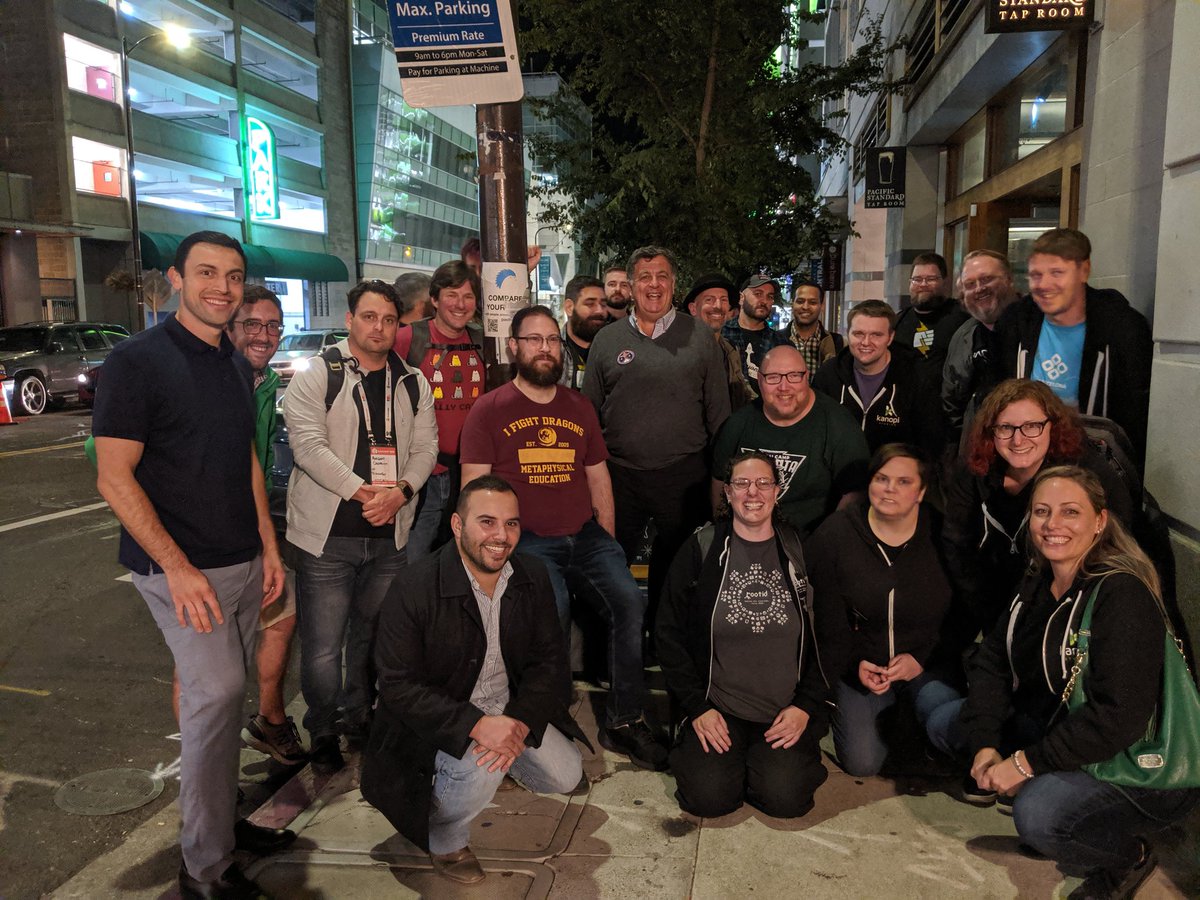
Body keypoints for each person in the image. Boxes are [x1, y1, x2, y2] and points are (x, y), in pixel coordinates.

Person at [93, 231, 287, 899]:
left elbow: (247, 461)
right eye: (207, 273)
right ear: (175, 278)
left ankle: (224, 821)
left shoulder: (233, 361)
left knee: (222, 703)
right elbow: (114, 479)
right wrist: (176, 568)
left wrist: (267, 542)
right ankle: (205, 865)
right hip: (180, 570)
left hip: (238, 560)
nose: (222, 287)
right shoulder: (137, 362)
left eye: (233, 276)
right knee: (218, 695)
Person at [928, 466, 1200, 899]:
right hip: (1062, 729)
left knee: (1039, 818)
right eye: (1042, 512)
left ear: (1099, 522)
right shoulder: (1038, 580)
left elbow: (1117, 719)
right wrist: (985, 743)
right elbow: (994, 662)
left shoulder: (1121, 592)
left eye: (1070, 512)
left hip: (1136, 764)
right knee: (946, 721)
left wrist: (1024, 764)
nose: (1053, 525)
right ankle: (1042, 779)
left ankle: (1127, 855)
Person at [460, 305, 667, 770]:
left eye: (552, 339)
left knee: (629, 604)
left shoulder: (579, 408)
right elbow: (474, 491)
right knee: (550, 613)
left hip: (586, 536)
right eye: (533, 339)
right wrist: (488, 552)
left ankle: (624, 720)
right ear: (513, 347)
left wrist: (608, 542)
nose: (545, 348)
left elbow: (598, 480)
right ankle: (545, 717)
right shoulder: (489, 409)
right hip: (527, 541)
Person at [360, 476, 588, 885]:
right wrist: (478, 726)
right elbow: (397, 686)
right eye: (487, 522)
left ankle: (489, 768)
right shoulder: (414, 586)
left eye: (512, 523)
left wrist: (518, 723)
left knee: (565, 774)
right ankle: (444, 837)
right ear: (456, 525)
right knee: (479, 769)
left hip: (507, 707)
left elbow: (549, 663)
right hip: (437, 723)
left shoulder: (532, 574)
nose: (501, 536)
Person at [284, 279, 438, 771]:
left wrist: (401, 493)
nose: (380, 327)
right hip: (327, 537)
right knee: (324, 647)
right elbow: (307, 446)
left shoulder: (412, 381)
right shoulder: (318, 373)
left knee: (370, 637)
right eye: (370, 317)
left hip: (389, 537)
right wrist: (361, 491)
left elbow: (425, 451)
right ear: (349, 320)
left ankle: (359, 712)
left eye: (390, 320)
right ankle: (323, 728)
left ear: (400, 326)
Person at [656, 452, 837, 819]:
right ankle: (720, 757)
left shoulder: (803, 551)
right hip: (718, 707)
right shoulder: (701, 549)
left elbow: (834, 636)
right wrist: (697, 708)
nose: (752, 492)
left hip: (784, 710)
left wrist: (806, 706)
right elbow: (667, 633)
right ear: (727, 492)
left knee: (786, 799)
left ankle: (768, 761)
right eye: (742, 483)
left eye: (763, 483)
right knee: (710, 799)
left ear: (777, 491)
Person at [581, 245, 731, 626]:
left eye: (662, 276)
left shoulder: (699, 337)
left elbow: (719, 414)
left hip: (684, 476)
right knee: (609, 566)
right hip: (619, 476)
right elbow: (588, 415)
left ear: (674, 284)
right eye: (644, 277)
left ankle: (666, 650)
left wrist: (722, 477)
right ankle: (610, 654)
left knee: (678, 572)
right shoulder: (607, 340)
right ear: (630, 286)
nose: (653, 284)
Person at [805, 444, 966, 777]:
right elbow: (824, 619)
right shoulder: (836, 534)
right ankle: (859, 709)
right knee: (863, 763)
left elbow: (966, 612)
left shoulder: (944, 535)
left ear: (921, 491)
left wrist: (921, 658)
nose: (890, 488)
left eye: (904, 481)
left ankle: (913, 721)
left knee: (943, 726)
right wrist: (854, 664)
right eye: (882, 478)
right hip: (864, 664)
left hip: (928, 661)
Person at [943, 379, 1133, 638]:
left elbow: (1115, 544)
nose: (1018, 439)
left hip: (1066, 608)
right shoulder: (974, 471)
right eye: (1006, 428)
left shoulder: (1085, 473)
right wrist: (989, 615)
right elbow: (957, 545)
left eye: (1032, 426)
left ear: (1052, 426)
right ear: (991, 431)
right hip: (993, 605)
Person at [223, 286, 307, 767]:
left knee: (280, 615)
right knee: (212, 661)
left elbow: (255, 462)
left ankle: (270, 718)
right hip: (208, 537)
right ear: (230, 328)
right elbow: (103, 453)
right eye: (252, 324)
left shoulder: (266, 384)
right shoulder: (213, 378)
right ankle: (214, 785)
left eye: (273, 326)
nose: (264, 335)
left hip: (251, 525)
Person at [993, 227, 1153, 465]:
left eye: (1057, 272)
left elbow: (1136, 413)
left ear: (1083, 271)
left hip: (1091, 460)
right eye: (1036, 275)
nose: (1044, 284)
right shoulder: (1015, 321)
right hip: (1026, 454)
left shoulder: (1122, 328)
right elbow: (996, 390)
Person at [712, 345, 869, 535]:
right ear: (759, 380)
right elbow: (719, 481)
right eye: (773, 377)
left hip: (811, 542)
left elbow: (854, 494)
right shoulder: (738, 423)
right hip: (747, 539)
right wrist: (725, 532)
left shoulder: (839, 425)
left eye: (794, 376)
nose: (784, 387)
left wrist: (827, 541)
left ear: (807, 377)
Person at [395, 260, 486, 556]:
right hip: (424, 477)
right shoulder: (408, 338)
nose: (460, 304)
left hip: (470, 473)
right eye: (451, 294)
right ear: (434, 299)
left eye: (468, 296)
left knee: (462, 559)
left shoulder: (482, 342)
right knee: (414, 559)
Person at [812, 299, 942, 456]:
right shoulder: (828, 374)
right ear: (848, 334)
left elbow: (930, 443)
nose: (866, 342)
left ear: (890, 337)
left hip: (893, 476)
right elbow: (816, 433)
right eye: (858, 334)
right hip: (840, 476)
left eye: (876, 335)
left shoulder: (917, 377)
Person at [942, 250, 1019, 447]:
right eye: (970, 284)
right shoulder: (963, 337)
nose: (979, 289)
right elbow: (952, 402)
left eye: (986, 279)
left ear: (1009, 280)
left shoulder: (1040, 328)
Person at [893, 252, 969, 386]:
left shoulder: (963, 316)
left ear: (945, 281)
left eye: (931, 279)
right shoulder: (898, 321)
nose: (923, 284)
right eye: (917, 279)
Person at [683, 272, 756, 411]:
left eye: (723, 300)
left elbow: (740, 396)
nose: (718, 305)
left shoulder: (731, 350)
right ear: (693, 308)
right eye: (709, 300)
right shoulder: (679, 351)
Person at [721, 274, 787, 385]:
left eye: (769, 296)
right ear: (741, 298)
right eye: (758, 294)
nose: (764, 301)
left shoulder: (781, 343)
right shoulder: (722, 335)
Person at [778, 279, 843, 375]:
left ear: (822, 306)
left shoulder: (837, 343)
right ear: (792, 304)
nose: (805, 307)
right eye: (800, 301)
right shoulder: (776, 339)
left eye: (812, 302)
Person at [559, 274, 608, 390]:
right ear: (569, 307)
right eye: (590, 304)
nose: (599, 310)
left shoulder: (613, 348)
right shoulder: (552, 350)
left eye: (603, 304)